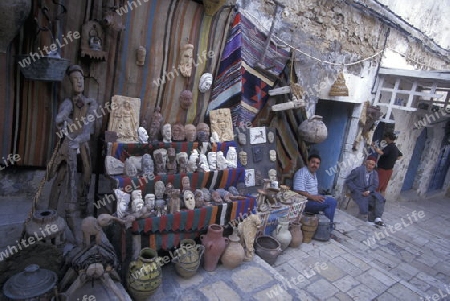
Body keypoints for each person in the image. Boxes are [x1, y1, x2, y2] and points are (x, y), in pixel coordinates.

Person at [49, 65, 98, 216]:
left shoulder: (91, 103)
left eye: (81, 79)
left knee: (87, 171)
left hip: (82, 142)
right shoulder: (68, 102)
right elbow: (59, 120)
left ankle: (83, 207)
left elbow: (88, 128)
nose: (79, 82)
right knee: (61, 174)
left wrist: (79, 139)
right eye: (75, 79)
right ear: (70, 83)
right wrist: (63, 120)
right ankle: (51, 209)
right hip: (69, 143)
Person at [293, 154, 337, 224]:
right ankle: (328, 226)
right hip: (304, 203)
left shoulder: (313, 173)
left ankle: (324, 225)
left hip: (311, 198)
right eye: (313, 162)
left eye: (317, 163)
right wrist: (313, 197)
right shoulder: (302, 173)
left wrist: (316, 196)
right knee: (331, 202)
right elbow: (297, 190)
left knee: (329, 199)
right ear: (308, 162)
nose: (315, 165)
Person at [345, 156, 386, 226]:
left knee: (379, 198)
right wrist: (355, 189)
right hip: (358, 191)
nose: (370, 166)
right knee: (364, 199)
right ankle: (365, 218)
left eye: (373, 165)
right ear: (365, 163)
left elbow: (375, 184)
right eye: (369, 164)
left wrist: (369, 191)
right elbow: (348, 181)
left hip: (369, 192)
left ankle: (377, 218)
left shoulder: (374, 173)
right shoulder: (358, 170)